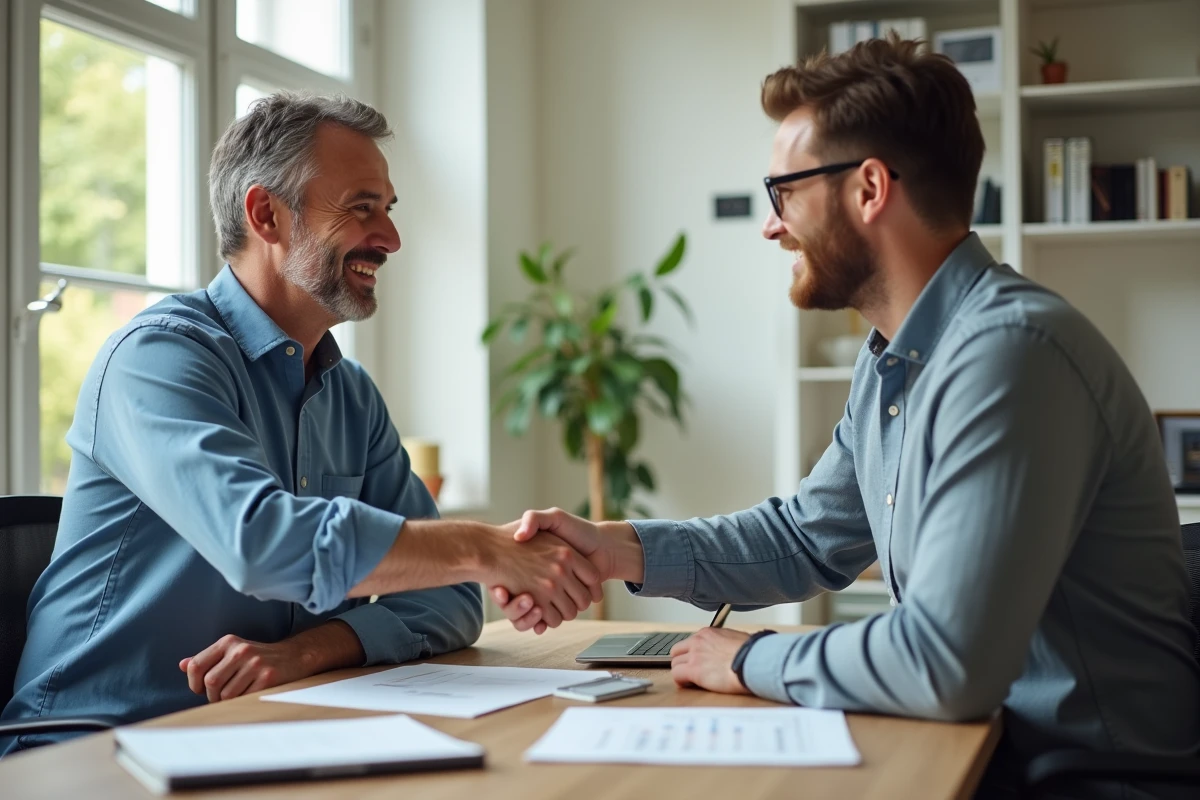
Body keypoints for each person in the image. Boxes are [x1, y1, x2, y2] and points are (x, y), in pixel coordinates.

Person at [493, 37, 1200, 797]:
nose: (771, 226)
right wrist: (615, 549)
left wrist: (749, 658)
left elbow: (944, 664)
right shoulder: (897, 357)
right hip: (993, 746)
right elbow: (805, 537)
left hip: (1084, 775)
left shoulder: (1011, 356)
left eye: (784, 192)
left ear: (869, 190)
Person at [1, 93, 601, 754]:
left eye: (389, 210)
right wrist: (487, 547)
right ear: (266, 214)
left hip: (261, 734)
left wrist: (312, 650)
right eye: (361, 208)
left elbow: (453, 599)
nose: (391, 239)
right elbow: (261, 543)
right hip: (87, 746)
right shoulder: (156, 359)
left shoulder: (351, 396)